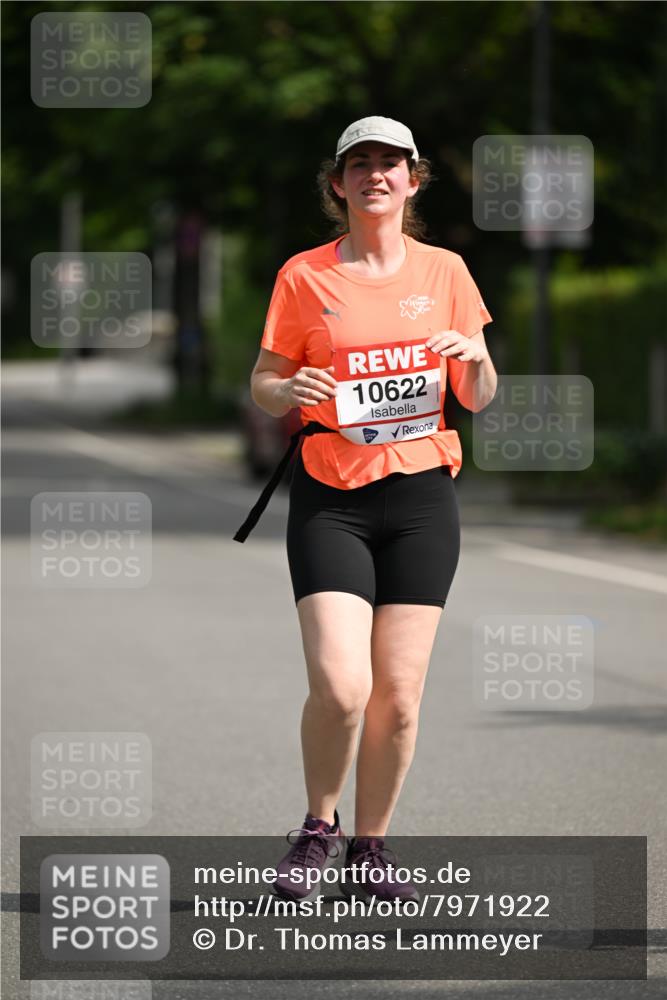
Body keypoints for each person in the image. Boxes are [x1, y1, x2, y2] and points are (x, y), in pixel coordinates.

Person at [235, 116, 497, 904]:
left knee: (399, 697)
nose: (375, 175)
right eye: (359, 165)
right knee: (343, 686)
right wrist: (287, 390)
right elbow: (263, 379)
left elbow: (477, 396)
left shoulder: (445, 270)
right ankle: (318, 829)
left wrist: (477, 359)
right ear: (337, 184)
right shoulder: (305, 276)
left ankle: (371, 850)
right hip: (332, 496)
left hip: (421, 497)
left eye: (390, 163)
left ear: (412, 181)